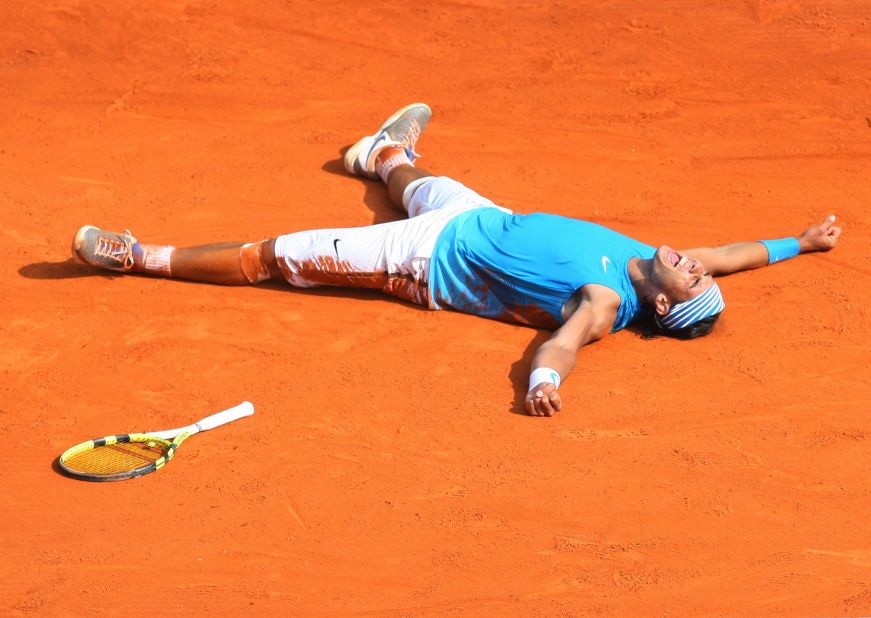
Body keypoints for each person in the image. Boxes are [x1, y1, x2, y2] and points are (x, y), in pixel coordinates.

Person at [71, 103, 843, 417]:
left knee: (274, 256)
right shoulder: (659, 262)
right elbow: (735, 256)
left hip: (418, 263)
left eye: (695, 275)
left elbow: (562, 342)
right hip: (479, 215)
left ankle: (140, 256)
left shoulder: (610, 300)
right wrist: (797, 244)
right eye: (698, 266)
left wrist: (543, 380)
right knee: (417, 181)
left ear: (667, 306)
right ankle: (380, 152)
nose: (697, 260)